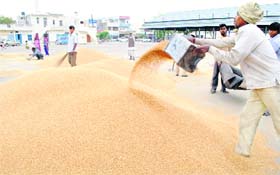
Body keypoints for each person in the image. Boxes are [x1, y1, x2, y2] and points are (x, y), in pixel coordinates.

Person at [189, 2, 280, 157]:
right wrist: (196, 40)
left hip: (270, 83)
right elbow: (223, 42)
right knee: (247, 119)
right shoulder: (245, 32)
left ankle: (242, 150)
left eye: (237, 15)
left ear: (244, 17)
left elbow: (234, 57)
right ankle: (242, 152)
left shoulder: (249, 31)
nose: (234, 18)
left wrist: (209, 49)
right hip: (259, 85)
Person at [210, 24, 230, 94]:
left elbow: (229, 50)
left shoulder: (228, 39)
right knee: (215, 74)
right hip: (218, 60)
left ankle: (223, 89)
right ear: (219, 30)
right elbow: (216, 50)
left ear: (226, 29)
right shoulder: (218, 39)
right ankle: (213, 88)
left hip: (226, 60)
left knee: (224, 75)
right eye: (221, 29)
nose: (223, 30)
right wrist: (218, 60)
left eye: (224, 28)